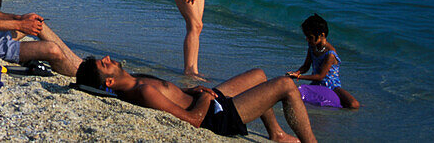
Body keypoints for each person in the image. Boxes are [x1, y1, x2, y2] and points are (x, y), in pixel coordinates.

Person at [77, 56, 314, 143]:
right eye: (104, 64)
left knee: (259, 75)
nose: (108, 58)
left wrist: (194, 91)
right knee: (286, 85)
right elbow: (193, 120)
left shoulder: (134, 79)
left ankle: (277, 134)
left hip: (206, 101)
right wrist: (205, 99)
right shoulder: (141, 91)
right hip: (216, 116)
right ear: (108, 82)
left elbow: (171, 93)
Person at [287, 13, 361, 109]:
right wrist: (296, 72)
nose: (307, 39)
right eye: (306, 36)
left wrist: (299, 77)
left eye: (310, 37)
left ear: (322, 35)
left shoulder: (330, 54)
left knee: (354, 104)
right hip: (316, 84)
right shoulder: (312, 46)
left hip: (332, 86)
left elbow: (320, 76)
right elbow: (306, 66)